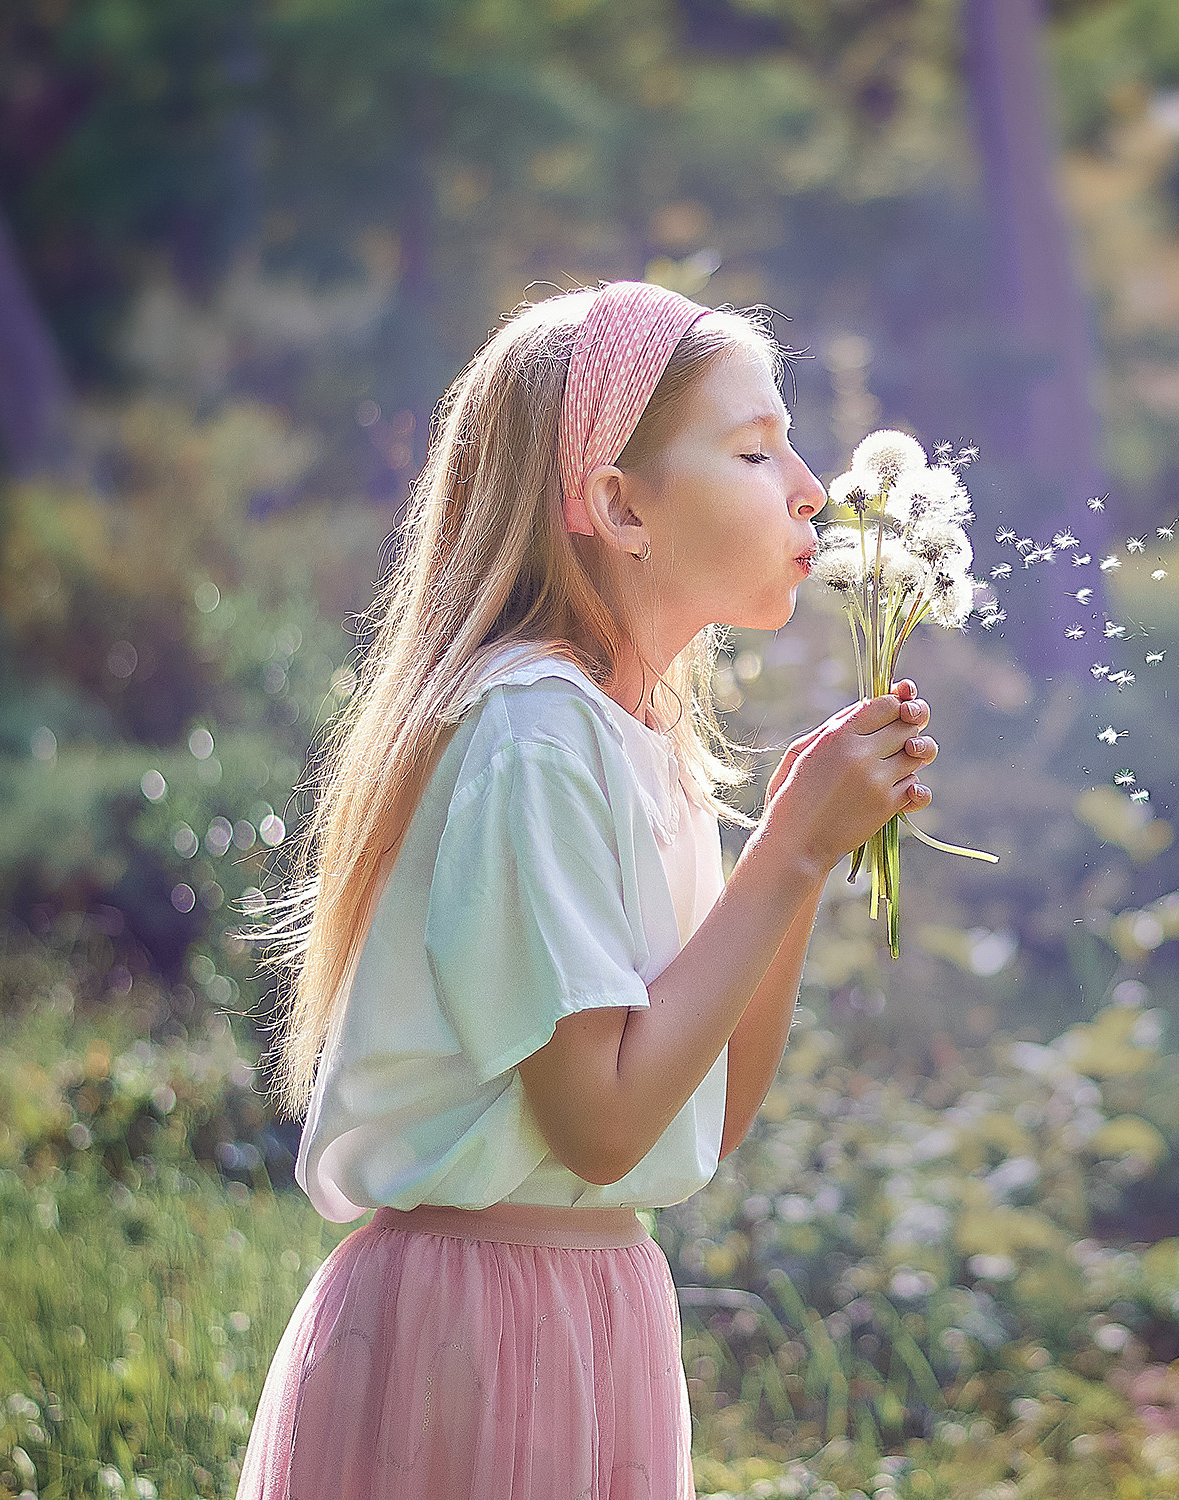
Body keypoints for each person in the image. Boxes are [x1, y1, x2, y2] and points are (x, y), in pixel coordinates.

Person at [234, 280, 937, 1498]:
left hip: (591, 1310)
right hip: (474, 1335)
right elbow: (600, 1129)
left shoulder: (637, 744)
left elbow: (700, 1119)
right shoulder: (531, 736)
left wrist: (802, 850)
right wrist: (791, 853)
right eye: (756, 449)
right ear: (618, 504)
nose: (811, 486)